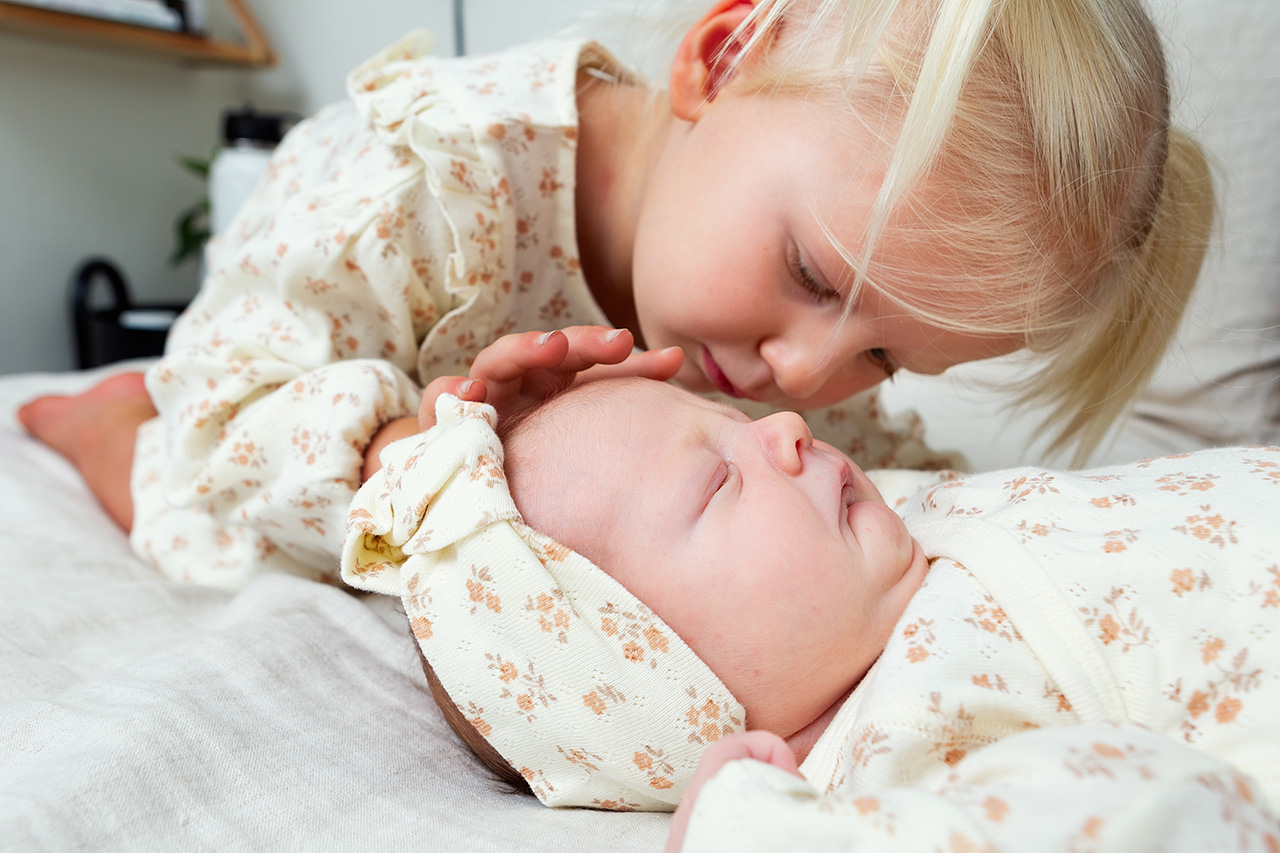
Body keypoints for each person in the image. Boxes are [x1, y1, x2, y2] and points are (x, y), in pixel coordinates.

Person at [21, 0, 1213, 590]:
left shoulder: (764, 353)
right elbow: (241, 426)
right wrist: (436, 442)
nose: (801, 376)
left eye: (884, 357)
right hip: (289, 373)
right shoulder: (422, 178)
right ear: (723, 55)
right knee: (211, 496)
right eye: (809, 275)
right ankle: (100, 424)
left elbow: (879, 467)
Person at [344, 370, 1279, 850]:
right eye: (719, 482)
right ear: (666, 684)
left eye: (739, 422)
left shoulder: (895, 520)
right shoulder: (900, 738)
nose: (786, 430)